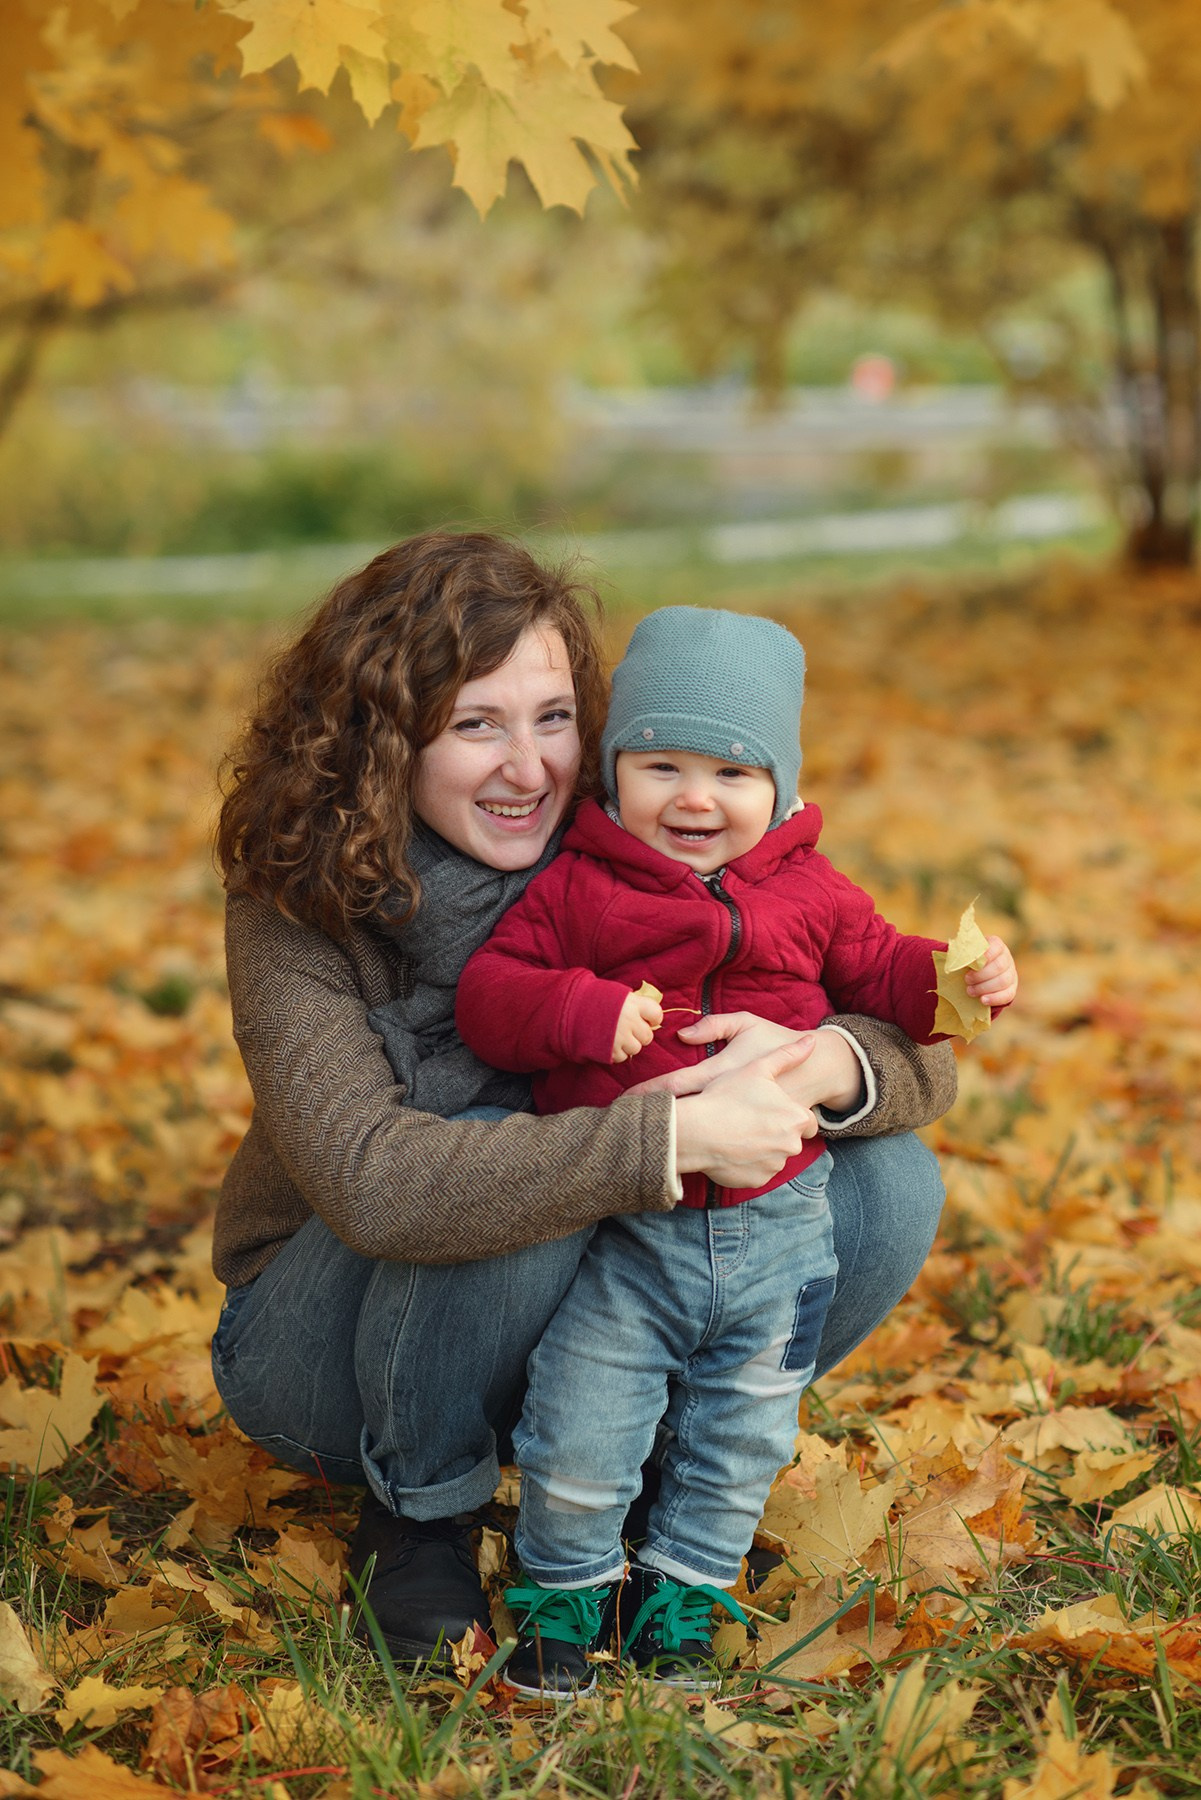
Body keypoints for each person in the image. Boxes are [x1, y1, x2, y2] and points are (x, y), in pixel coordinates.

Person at [210, 530, 958, 1675]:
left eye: (553, 718)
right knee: (501, 1164)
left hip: (614, 1294)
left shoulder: (639, 827)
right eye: (474, 725)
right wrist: (664, 1133)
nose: (528, 769)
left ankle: (665, 1474)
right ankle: (419, 1520)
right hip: (325, 1337)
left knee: (888, 1176)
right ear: (381, 741)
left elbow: (925, 1055)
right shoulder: (298, 898)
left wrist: (819, 1060)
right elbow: (377, 1182)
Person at [456, 606, 1017, 1696]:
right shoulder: (577, 889)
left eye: (731, 771)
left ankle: (678, 1600)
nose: (694, 797)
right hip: (633, 1231)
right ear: (613, 776)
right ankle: (561, 1603)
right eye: (659, 764)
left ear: (782, 789)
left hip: (781, 1234)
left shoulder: (813, 893)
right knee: (583, 1421)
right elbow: (492, 998)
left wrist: (955, 982)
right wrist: (579, 1014)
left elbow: (885, 976)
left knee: (741, 1437)